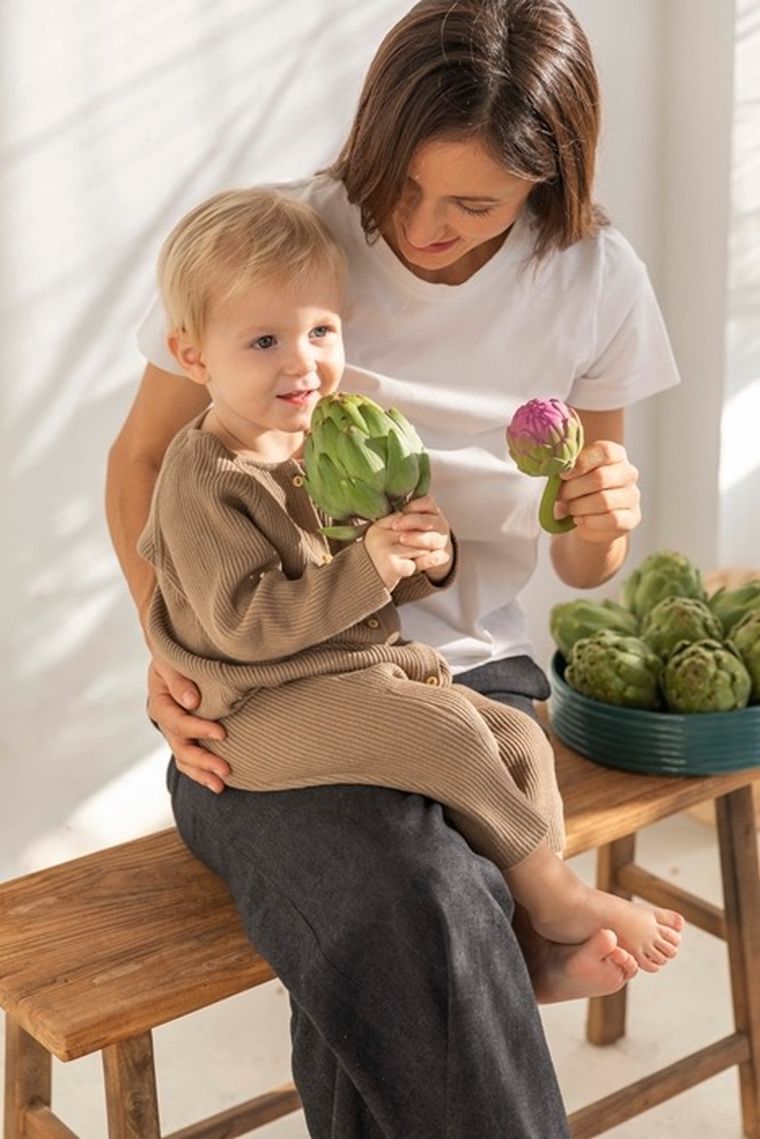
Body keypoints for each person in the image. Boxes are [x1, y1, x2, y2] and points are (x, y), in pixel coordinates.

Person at [106, 2, 683, 1134]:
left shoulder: (594, 278)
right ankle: (538, 926)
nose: (420, 227)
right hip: (263, 700)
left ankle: (526, 925)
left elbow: (579, 554)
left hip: (457, 663)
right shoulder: (285, 244)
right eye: (403, 187)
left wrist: (604, 518)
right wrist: (169, 649)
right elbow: (142, 462)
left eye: (471, 204)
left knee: (424, 889)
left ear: (544, 178)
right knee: (412, 896)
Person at [140, 183, 681, 1000]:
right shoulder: (204, 476)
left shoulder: (323, 441)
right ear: (193, 356)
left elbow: (367, 578)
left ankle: (530, 952)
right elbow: (246, 626)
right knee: (445, 734)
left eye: (321, 330)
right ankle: (555, 897)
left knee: (514, 737)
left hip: (353, 678)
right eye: (262, 340)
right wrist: (370, 568)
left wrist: (423, 553)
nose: (302, 361)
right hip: (252, 711)